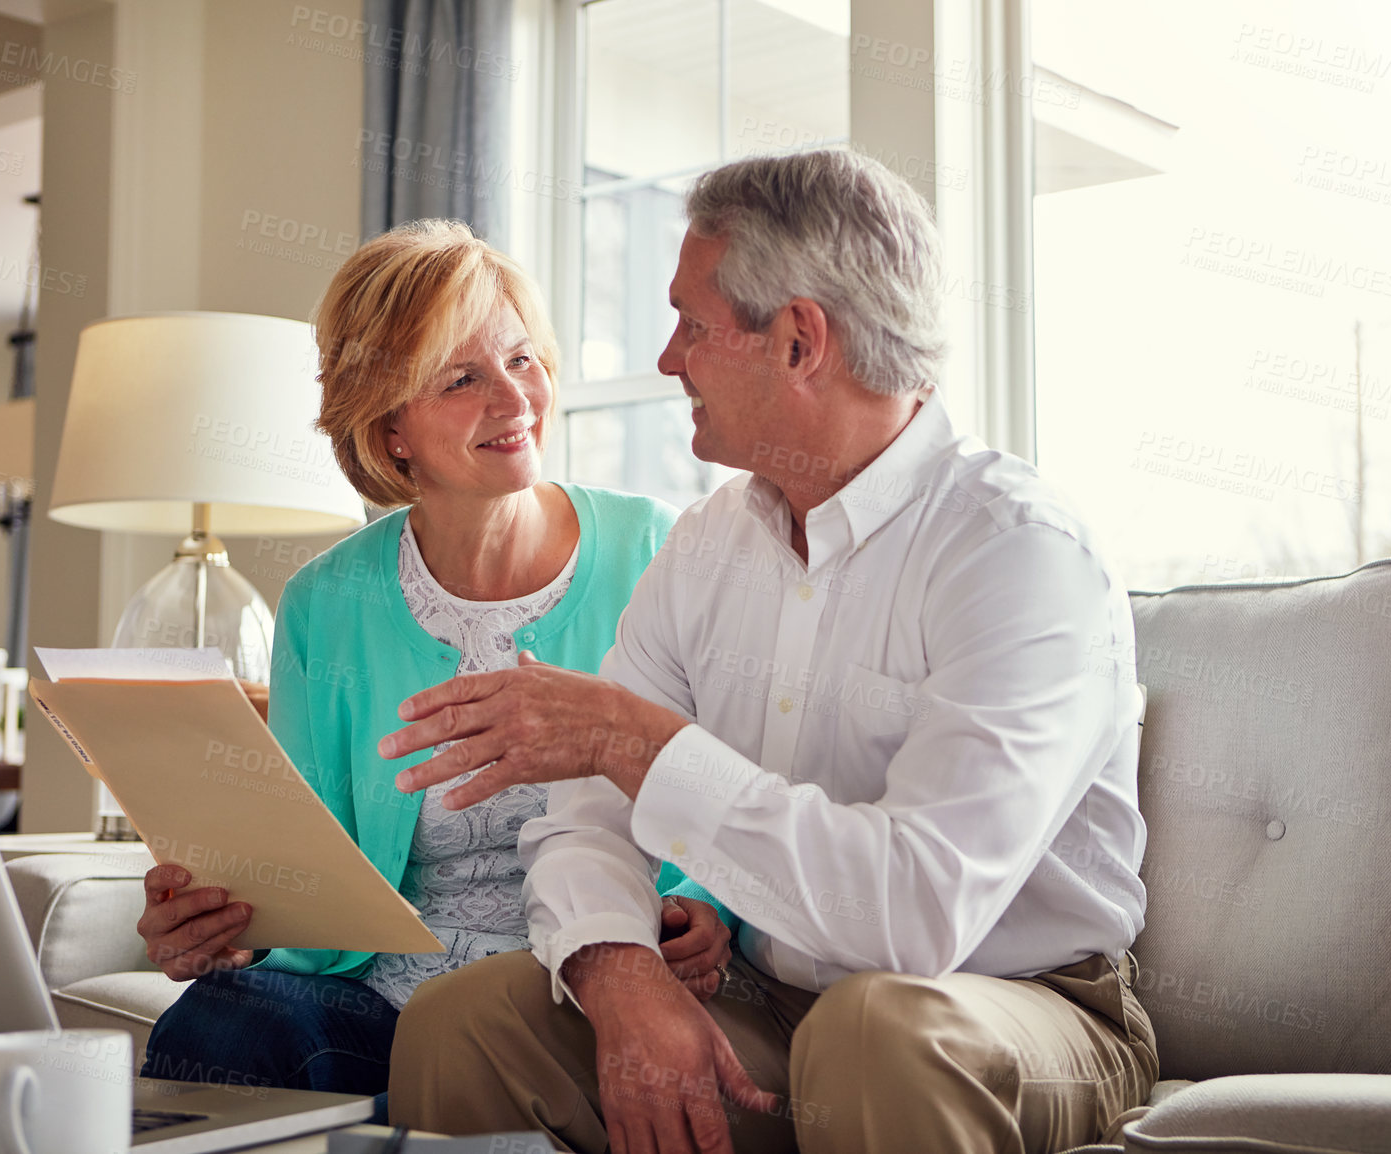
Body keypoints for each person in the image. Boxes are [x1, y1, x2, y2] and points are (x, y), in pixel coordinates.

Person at [382, 151, 1158, 1153]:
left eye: (693, 325)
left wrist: (640, 743)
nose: (668, 358)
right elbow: (586, 820)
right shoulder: (709, 543)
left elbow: (912, 921)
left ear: (799, 341)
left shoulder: (1015, 553)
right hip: (773, 996)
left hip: (1017, 1009)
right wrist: (621, 976)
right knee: (467, 1024)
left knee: (874, 1027)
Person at [131, 220, 736, 1123]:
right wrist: (228, 929)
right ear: (390, 427)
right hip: (384, 997)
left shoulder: (662, 550)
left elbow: (733, 784)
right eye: (461, 379)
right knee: (215, 1029)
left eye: (523, 359)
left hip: (596, 978)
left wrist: (703, 909)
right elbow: (311, 865)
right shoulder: (325, 601)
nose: (514, 397)